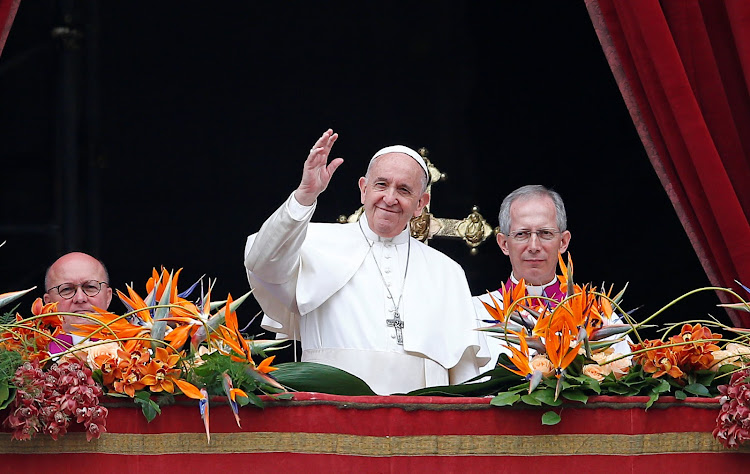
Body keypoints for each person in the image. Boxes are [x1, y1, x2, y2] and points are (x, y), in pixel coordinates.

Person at [244, 129, 489, 395]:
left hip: (421, 427)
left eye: (404, 190)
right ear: (363, 189)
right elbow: (262, 263)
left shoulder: (447, 272)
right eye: (381, 185)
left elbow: (465, 376)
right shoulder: (313, 243)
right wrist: (304, 196)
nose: (390, 198)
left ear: (421, 203)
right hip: (332, 418)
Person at [474, 185, 629, 372]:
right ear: (504, 244)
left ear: (563, 242)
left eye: (545, 233)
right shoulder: (474, 314)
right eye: (522, 234)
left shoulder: (600, 317)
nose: (533, 246)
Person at [43, 251, 112, 352]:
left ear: (108, 297)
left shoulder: (136, 354)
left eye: (90, 287)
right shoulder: (28, 358)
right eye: (66, 289)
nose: (80, 298)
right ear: (49, 304)